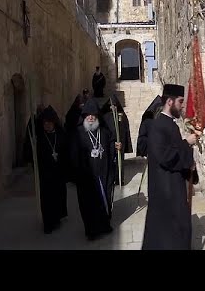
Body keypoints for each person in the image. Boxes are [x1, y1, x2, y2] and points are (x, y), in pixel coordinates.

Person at [142, 84, 200, 250]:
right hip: (165, 188)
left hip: (172, 185)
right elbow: (164, 156)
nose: (182, 105)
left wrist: (188, 156)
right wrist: (186, 143)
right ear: (169, 101)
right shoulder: (158, 126)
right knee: (166, 230)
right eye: (180, 101)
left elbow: (174, 151)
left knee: (176, 227)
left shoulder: (170, 124)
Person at [70, 98, 121, 239]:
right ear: (84, 116)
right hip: (87, 176)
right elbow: (74, 155)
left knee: (104, 200)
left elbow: (111, 143)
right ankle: (91, 231)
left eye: (93, 115)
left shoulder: (103, 131)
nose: (91, 117)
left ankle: (104, 225)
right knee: (89, 204)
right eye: (88, 115)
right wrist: (78, 173)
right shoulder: (79, 133)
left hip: (103, 172)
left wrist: (116, 146)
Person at [24, 105, 68, 234]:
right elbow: (31, 152)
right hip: (45, 173)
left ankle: (58, 217)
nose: (47, 125)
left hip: (58, 172)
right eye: (45, 123)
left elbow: (65, 152)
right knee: (47, 198)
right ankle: (49, 224)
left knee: (58, 196)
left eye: (50, 123)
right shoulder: (39, 138)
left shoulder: (60, 136)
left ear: (54, 123)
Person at [101, 94, 133, 186]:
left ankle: (119, 179)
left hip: (120, 142)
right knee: (110, 161)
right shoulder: (105, 117)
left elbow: (124, 130)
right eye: (111, 105)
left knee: (120, 162)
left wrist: (121, 142)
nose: (113, 107)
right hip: (110, 143)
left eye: (115, 105)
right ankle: (111, 178)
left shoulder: (122, 116)